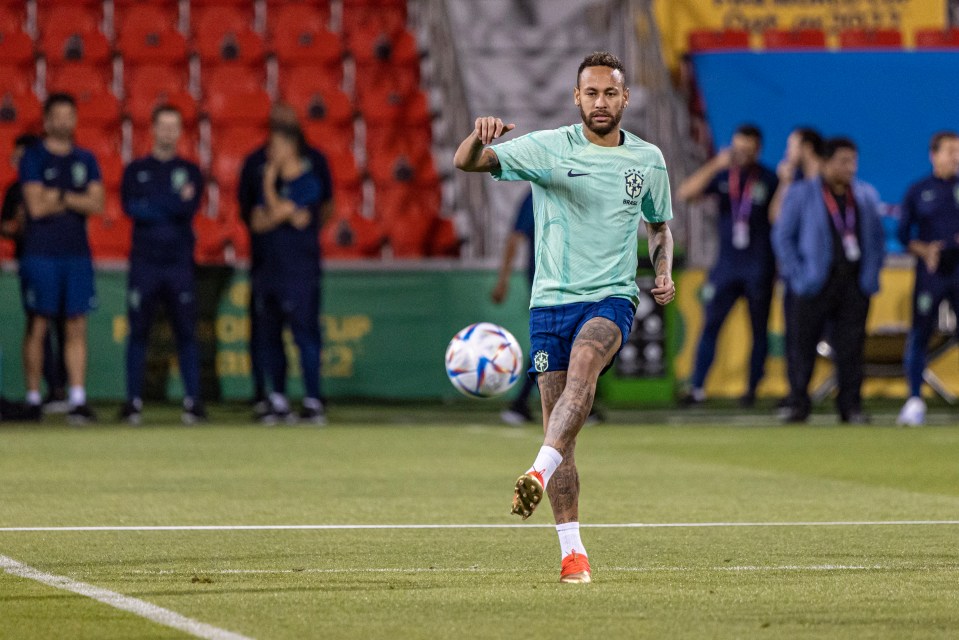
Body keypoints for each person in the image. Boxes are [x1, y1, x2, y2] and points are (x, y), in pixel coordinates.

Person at [454, 51, 676, 583]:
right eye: (592, 93)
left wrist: (662, 272)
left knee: (584, 367)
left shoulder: (648, 160)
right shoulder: (547, 147)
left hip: (612, 298)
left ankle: (536, 468)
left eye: (611, 93)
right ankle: (571, 552)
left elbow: (659, 227)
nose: (601, 102)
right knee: (564, 431)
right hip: (550, 303)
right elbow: (466, 162)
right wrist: (478, 136)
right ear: (577, 98)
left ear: (626, 98)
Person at [772, 137, 886, 424]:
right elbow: (782, 237)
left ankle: (850, 407)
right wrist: (797, 275)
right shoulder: (801, 193)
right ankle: (799, 403)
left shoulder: (865, 195)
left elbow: (877, 239)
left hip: (853, 284)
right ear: (825, 162)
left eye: (853, 161)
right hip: (813, 283)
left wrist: (870, 276)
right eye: (843, 161)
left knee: (851, 348)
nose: (850, 167)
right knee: (802, 346)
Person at [238, 104, 333, 418]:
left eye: (276, 146)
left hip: (299, 271)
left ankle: (312, 399)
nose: (270, 152)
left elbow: (277, 214)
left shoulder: (308, 181)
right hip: (268, 269)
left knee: (304, 333)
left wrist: (269, 190)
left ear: (290, 148)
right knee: (269, 335)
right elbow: (257, 221)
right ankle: (276, 397)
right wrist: (279, 212)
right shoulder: (268, 178)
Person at [676, 125, 778, 407]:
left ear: (758, 149)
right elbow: (685, 193)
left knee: (758, 330)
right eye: (738, 149)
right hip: (726, 267)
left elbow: (778, 217)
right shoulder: (722, 175)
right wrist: (714, 164)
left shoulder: (769, 179)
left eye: (748, 149)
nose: (742, 154)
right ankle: (697, 387)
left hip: (759, 266)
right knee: (711, 325)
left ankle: (752, 390)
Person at [18, 93, 104, 424]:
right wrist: (74, 198)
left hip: (77, 253)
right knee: (38, 323)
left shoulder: (86, 158)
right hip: (40, 253)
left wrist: (60, 196)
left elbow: (97, 204)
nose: (64, 122)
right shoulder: (33, 157)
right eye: (58, 116)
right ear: (47, 120)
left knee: (76, 324)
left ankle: (77, 399)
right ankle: (34, 398)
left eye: (70, 115)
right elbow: (35, 208)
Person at [118, 105, 205, 425]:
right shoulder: (136, 170)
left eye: (174, 126)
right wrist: (171, 202)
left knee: (186, 333)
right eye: (163, 126)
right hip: (144, 264)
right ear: (152, 129)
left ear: (181, 131)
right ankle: (133, 402)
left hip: (179, 264)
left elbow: (188, 208)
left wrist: (154, 204)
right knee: (138, 332)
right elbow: (132, 208)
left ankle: (193, 401)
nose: (168, 132)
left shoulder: (191, 170)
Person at [1, 133, 69, 415]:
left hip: (64, 260)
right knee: (38, 325)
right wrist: (17, 225)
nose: (19, 162)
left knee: (67, 325)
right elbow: (6, 226)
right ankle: (39, 392)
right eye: (16, 158)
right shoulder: (16, 190)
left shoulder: (55, 181)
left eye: (22, 157)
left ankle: (61, 389)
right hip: (31, 261)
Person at [895, 131, 959, 426]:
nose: (955, 156)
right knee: (920, 333)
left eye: (958, 151)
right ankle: (914, 400)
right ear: (933, 155)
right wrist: (924, 249)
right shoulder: (919, 190)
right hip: (931, 274)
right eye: (949, 151)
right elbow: (903, 234)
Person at [769, 127, 824, 413]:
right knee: (797, 339)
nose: (788, 152)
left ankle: (844, 398)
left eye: (791, 145)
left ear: (806, 147)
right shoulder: (796, 184)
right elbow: (776, 219)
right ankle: (798, 394)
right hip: (799, 277)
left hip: (829, 276)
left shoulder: (828, 182)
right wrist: (785, 182)